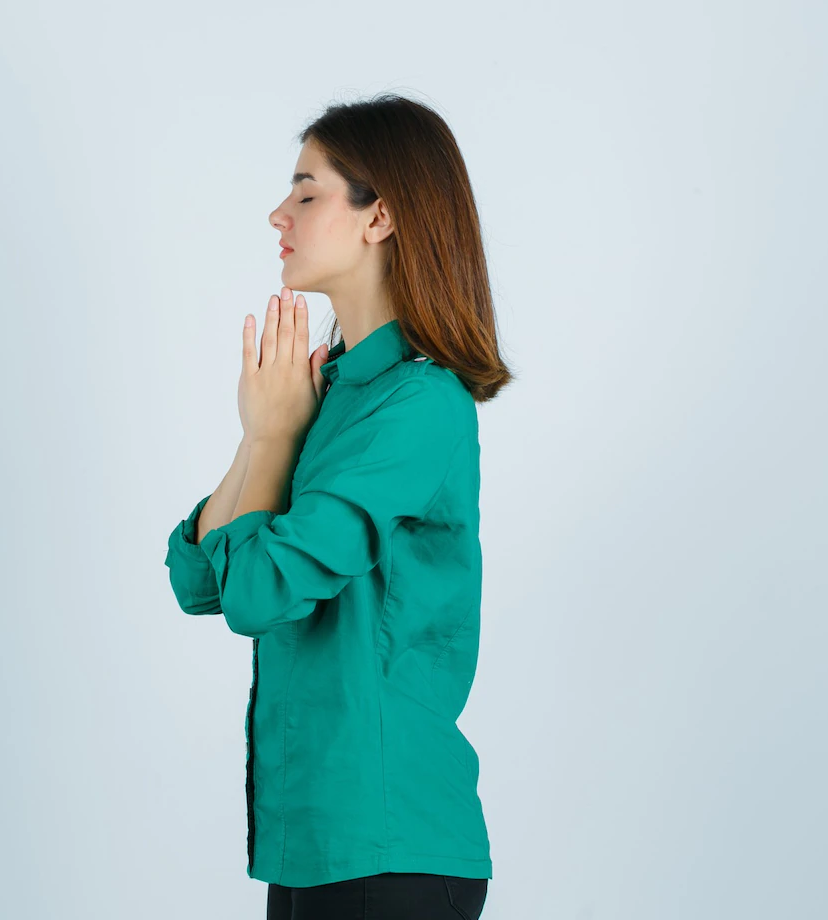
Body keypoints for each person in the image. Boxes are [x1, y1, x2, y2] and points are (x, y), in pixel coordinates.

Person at [164, 93, 513, 920]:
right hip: (310, 843)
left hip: (394, 848)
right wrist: (264, 432)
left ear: (379, 216)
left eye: (307, 193)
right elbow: (197, 579)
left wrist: (277, 443)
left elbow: (256, 593)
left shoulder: (421, 406)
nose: (278, 212)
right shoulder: (326, 387)